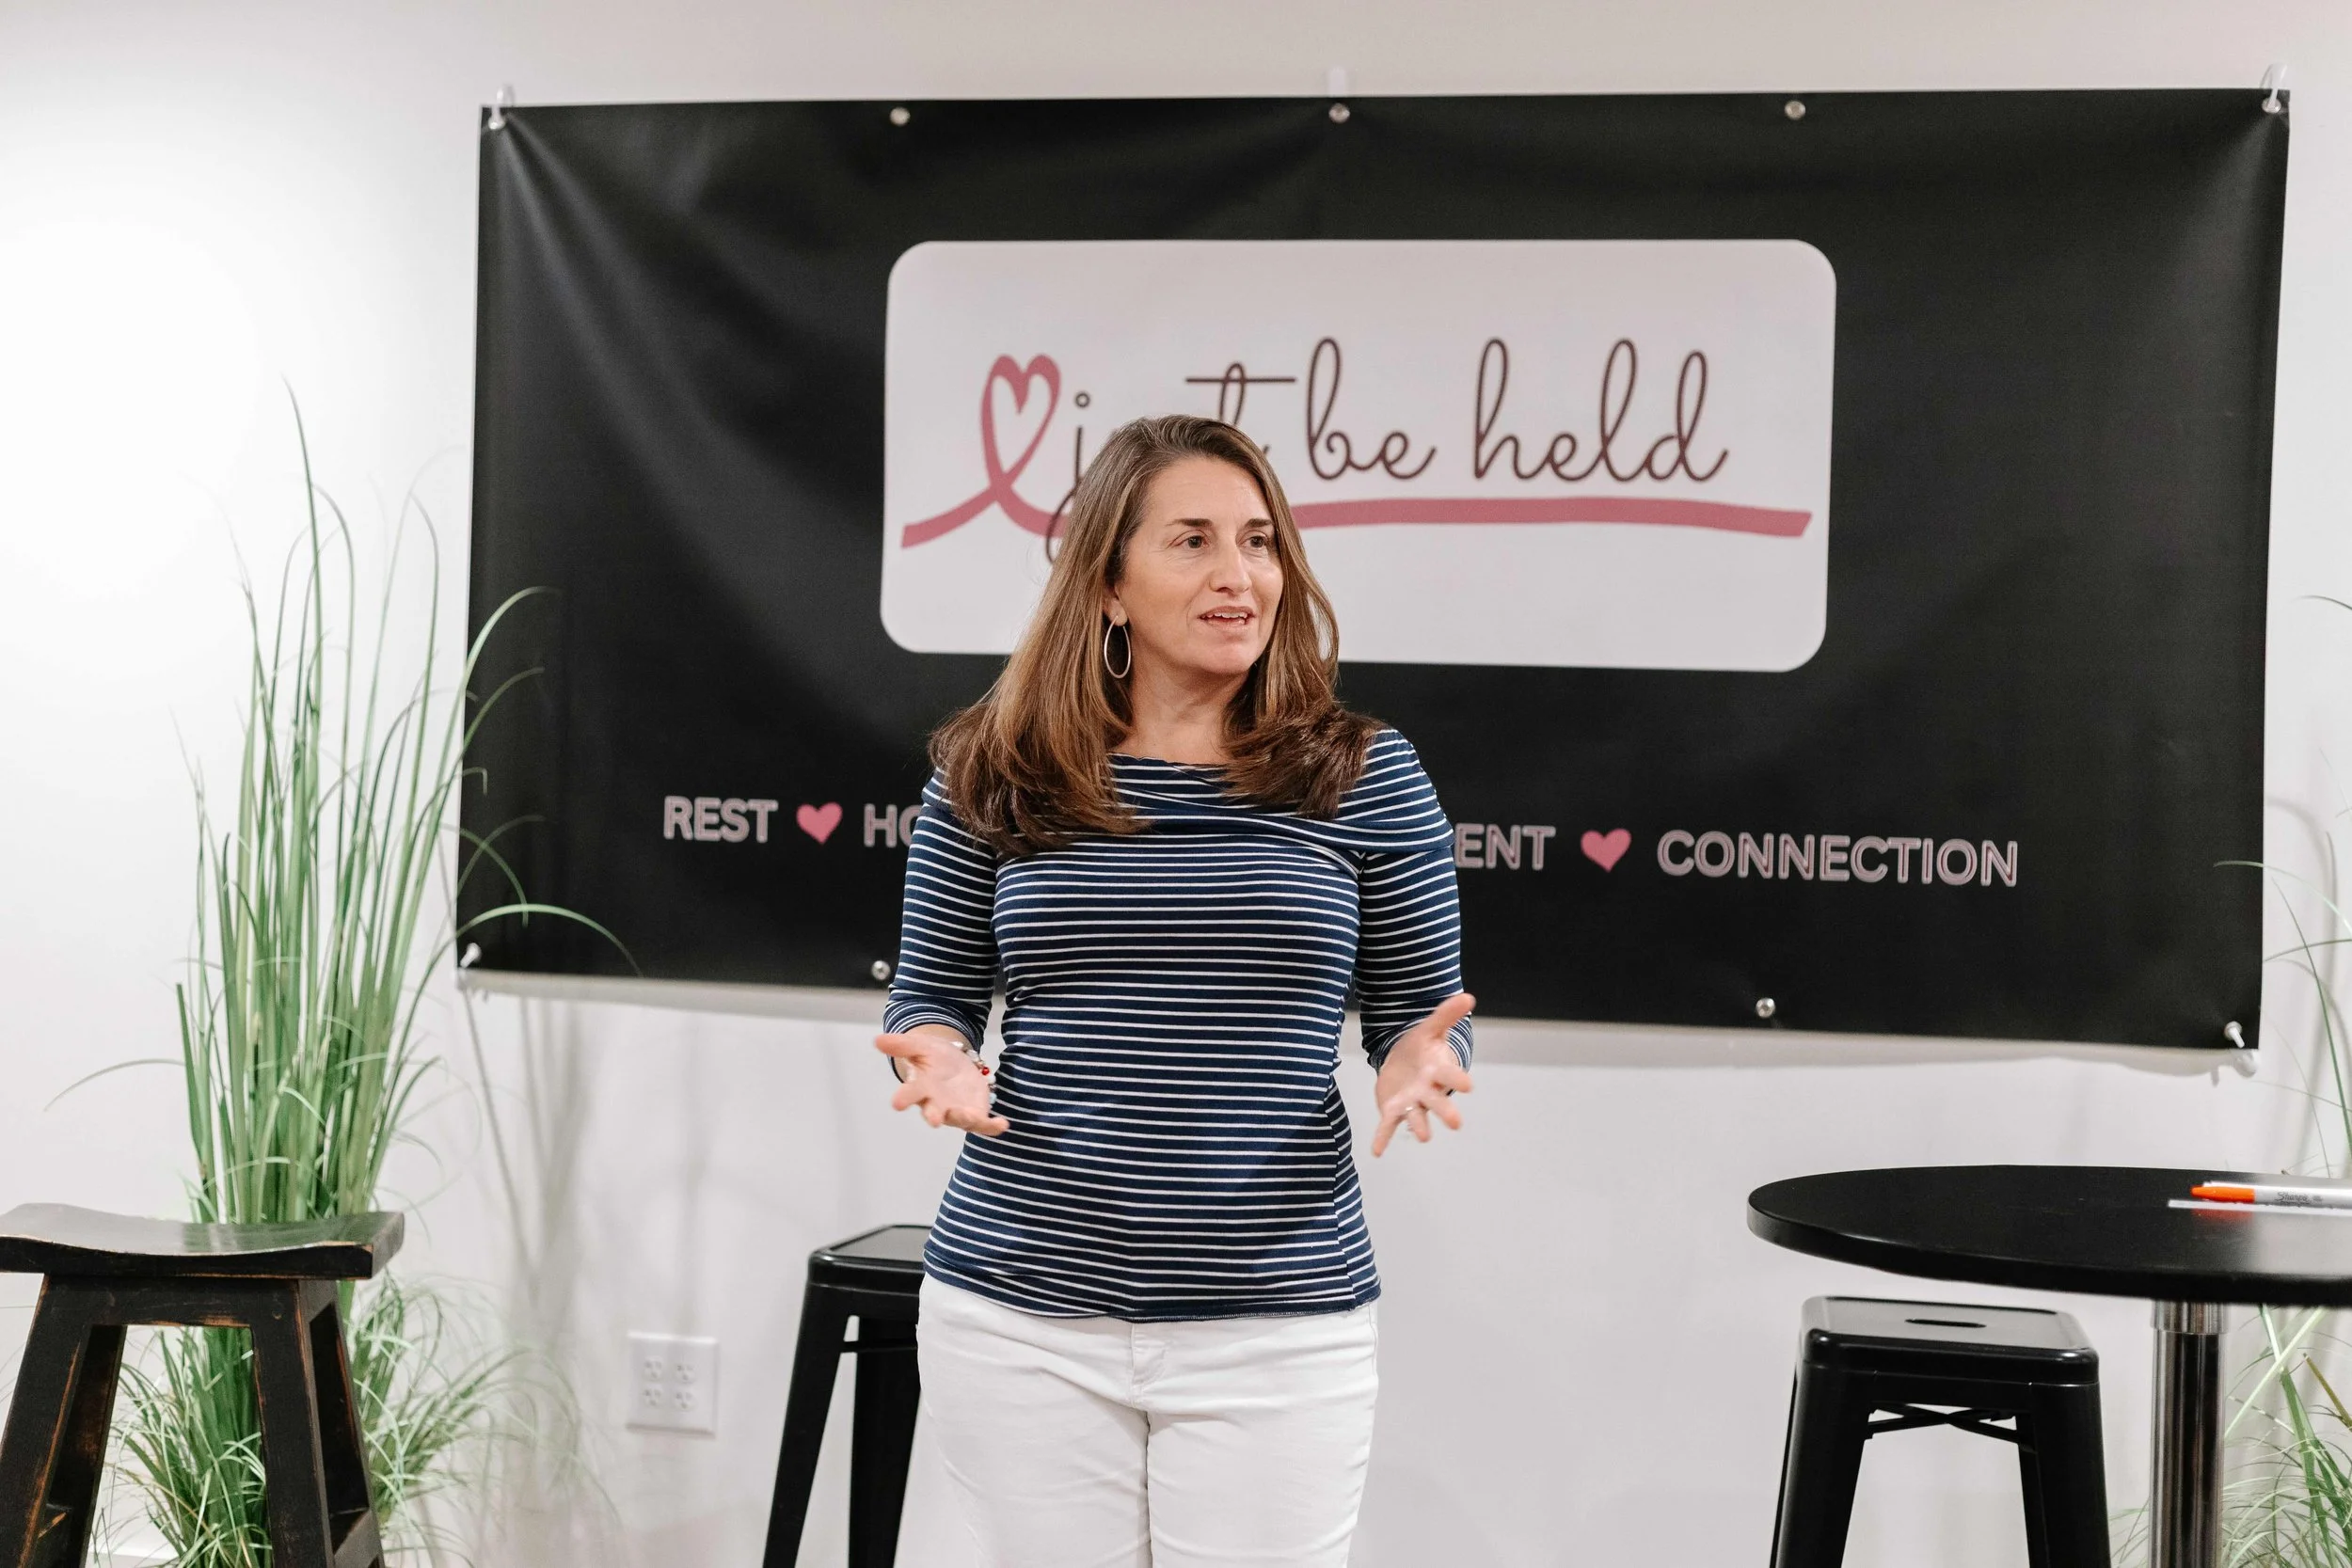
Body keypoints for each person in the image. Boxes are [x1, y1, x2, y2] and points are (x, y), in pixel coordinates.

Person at [875, 414, 1475, 1567]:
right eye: (1192, 540)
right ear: (1109, 582)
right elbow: (932, 991)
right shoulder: (992, 768)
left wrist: (1418, 1059)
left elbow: (1420, 1011)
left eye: (1258, 540)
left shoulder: (1362, 772)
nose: (1237, 573)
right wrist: (937, 1050)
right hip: (1017, 1310)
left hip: (1275, 1316)